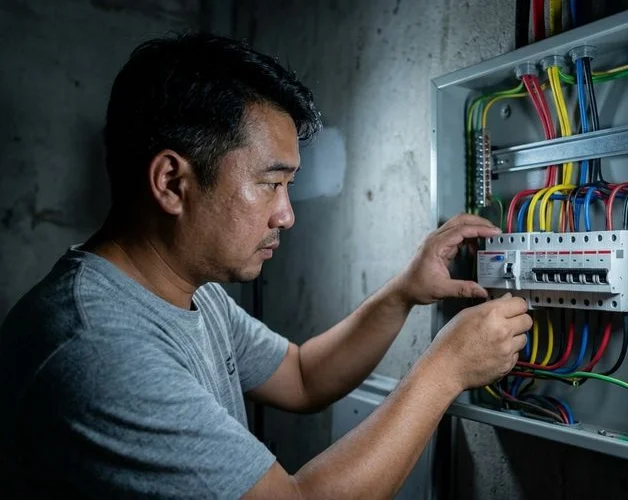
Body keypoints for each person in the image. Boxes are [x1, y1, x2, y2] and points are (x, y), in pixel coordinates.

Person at [0, 33, 532, 499]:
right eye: (270, 183)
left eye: (289, 186)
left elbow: (301, 377)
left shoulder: (188, 289)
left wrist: (403, 293)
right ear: (171, 182)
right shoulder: (98, 347)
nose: (287, 214)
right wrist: (444, 372)